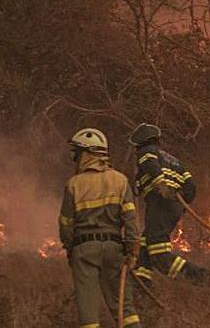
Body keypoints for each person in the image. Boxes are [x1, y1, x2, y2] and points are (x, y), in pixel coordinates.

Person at [59, 128, 143, 328]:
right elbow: (131, 220)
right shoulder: (120, 180)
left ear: (87, 153)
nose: (75, 159)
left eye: (77, 153)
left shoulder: (74, 184)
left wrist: (70, 250)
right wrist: (132, 251)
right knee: (124, 307)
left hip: (84, 249)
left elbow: (66, 224)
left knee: (88, 310)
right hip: (114, 249)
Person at [127, 123, 210, 286]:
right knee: (146, 242)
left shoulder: (146, 152)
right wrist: (179, 203)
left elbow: (150, 166)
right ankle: (142, 280)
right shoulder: (175, 161)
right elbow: (191, 188)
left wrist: (162, 187)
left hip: (159, 202)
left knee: (159, 254)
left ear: (141, 142)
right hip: (173, 206)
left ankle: (201, 276)